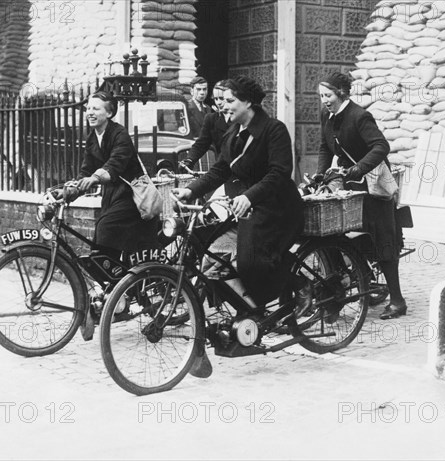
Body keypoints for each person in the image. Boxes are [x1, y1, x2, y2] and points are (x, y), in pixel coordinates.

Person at [173, 76, 305, 375]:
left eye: (230, 101)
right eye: (223, 102)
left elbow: (280, 173)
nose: (224, 107)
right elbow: (220, 169)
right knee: (210, 258)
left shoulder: (273, 130)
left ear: (248, 102)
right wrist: (192, 190)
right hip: (245, 209)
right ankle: (250, 310)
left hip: (277, 209)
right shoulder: (233, 132)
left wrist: (249, 195)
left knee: (249, 260)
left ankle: (295, 287)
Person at [63, 91, 160, 338]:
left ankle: (118, 294)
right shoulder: (92, 138)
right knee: (105, 244)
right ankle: (117, 295)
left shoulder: (119, 135)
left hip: (131, 195)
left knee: (105, 232)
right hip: (111, 195)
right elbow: (86, 169)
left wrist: (94, 178)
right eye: (88, 108)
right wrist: (70, 190)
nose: (90, 112)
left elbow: (114, 166)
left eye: (96, 108)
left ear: (109, 112)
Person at [314, 72, 407, 320]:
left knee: (383, 240)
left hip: (375, 184)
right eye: (322, 95)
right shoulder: (327, 115)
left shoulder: (359, 116)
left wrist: (359, 168)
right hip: (351, 184)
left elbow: (381, 146)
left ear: (342, 93)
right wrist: (320, 174)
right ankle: (357, 277)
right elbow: (325, 146)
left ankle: (398, 300)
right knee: (338, 230)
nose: (324, 100)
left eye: (328, 95)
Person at [180, 79, 231, 171]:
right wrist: (189, 160)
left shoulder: (239, 118)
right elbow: (202, 143)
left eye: (222, 98)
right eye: (216, 99)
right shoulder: (212, 118)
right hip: (219, 164)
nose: (219, 102)